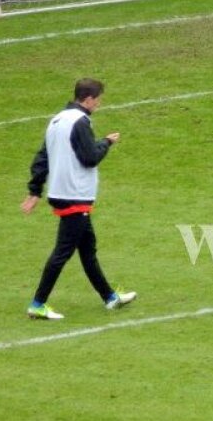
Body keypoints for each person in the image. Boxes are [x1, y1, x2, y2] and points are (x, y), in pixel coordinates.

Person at [21, 78, 136, 320]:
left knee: (87, 249)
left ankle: (110, 297)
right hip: (74, 195)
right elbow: (90, 158)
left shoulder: (56, 120)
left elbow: (42, 158)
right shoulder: (80, 122)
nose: (99, 104)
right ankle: (38, 303)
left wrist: (35, 190)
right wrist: (106, 142)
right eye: (98, 100)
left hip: (62, 193)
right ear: (88, 99)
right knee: (62, 252)